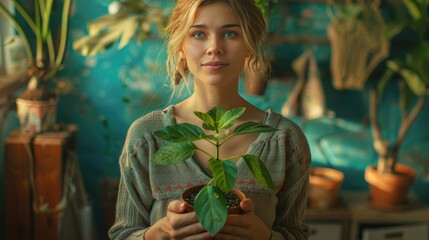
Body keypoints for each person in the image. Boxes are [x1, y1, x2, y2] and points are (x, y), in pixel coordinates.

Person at [108, 0, 312, 239]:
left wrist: (265, 236)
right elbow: (122, 234)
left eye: (229, 33)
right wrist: (157, 234)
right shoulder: (146, 137)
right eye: (198, 34)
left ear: (250, 45)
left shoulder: (285, 139)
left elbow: (297, 234)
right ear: (181, 46)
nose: (214, 47)